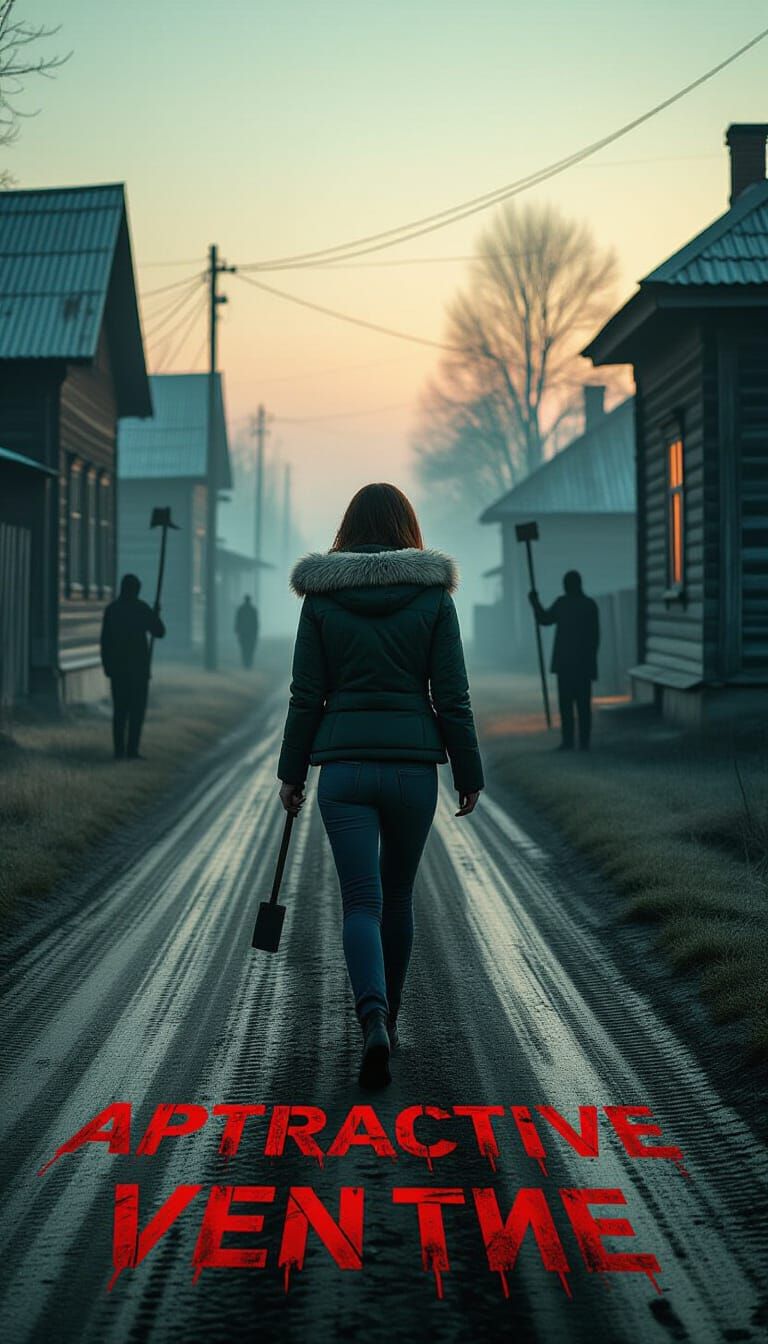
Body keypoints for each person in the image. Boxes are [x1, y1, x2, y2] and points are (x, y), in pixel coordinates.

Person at [277, 483, 484, 1089]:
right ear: (407, 527)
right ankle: (386, 1020)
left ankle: (371, 1021)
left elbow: (303, 695)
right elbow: (453, 696)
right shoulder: (433, 599)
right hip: (413, 769)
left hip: (343, 770)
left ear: (348, 527)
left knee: (360, 903)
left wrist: (293, 774)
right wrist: (466, 773)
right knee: (397, 896)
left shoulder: (320, 600)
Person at [528, 570, 599, 752]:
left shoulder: (563, 604)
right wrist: (591, 660)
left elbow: (544, 619)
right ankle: (584, 742)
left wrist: (535, 603)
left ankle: (568, 741)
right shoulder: (589, 605)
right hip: (583, 664)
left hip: (566, 664)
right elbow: (595, 637)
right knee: (583, 705)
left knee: (566, 705)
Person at [100, 574, 166, 760]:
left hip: (118, 670)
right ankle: (132, 750)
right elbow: (160, 632)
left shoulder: (112, 610)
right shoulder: (141, 609)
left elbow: (104, 641)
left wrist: (107, 665)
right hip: (138, 670)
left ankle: (119, 751)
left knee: (120, 711)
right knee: (136, 712)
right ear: (136, 589)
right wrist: (155, 616)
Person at [235, 594, 259, 668]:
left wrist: (237, 630)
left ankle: (246, 662)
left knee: (244, 648)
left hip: (243, 633)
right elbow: (256, 623)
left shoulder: (241, 610)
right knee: (250, 648)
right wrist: (256, 632)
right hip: (250, 633)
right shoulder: (253, 610)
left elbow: (237, 621)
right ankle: (248, 663)